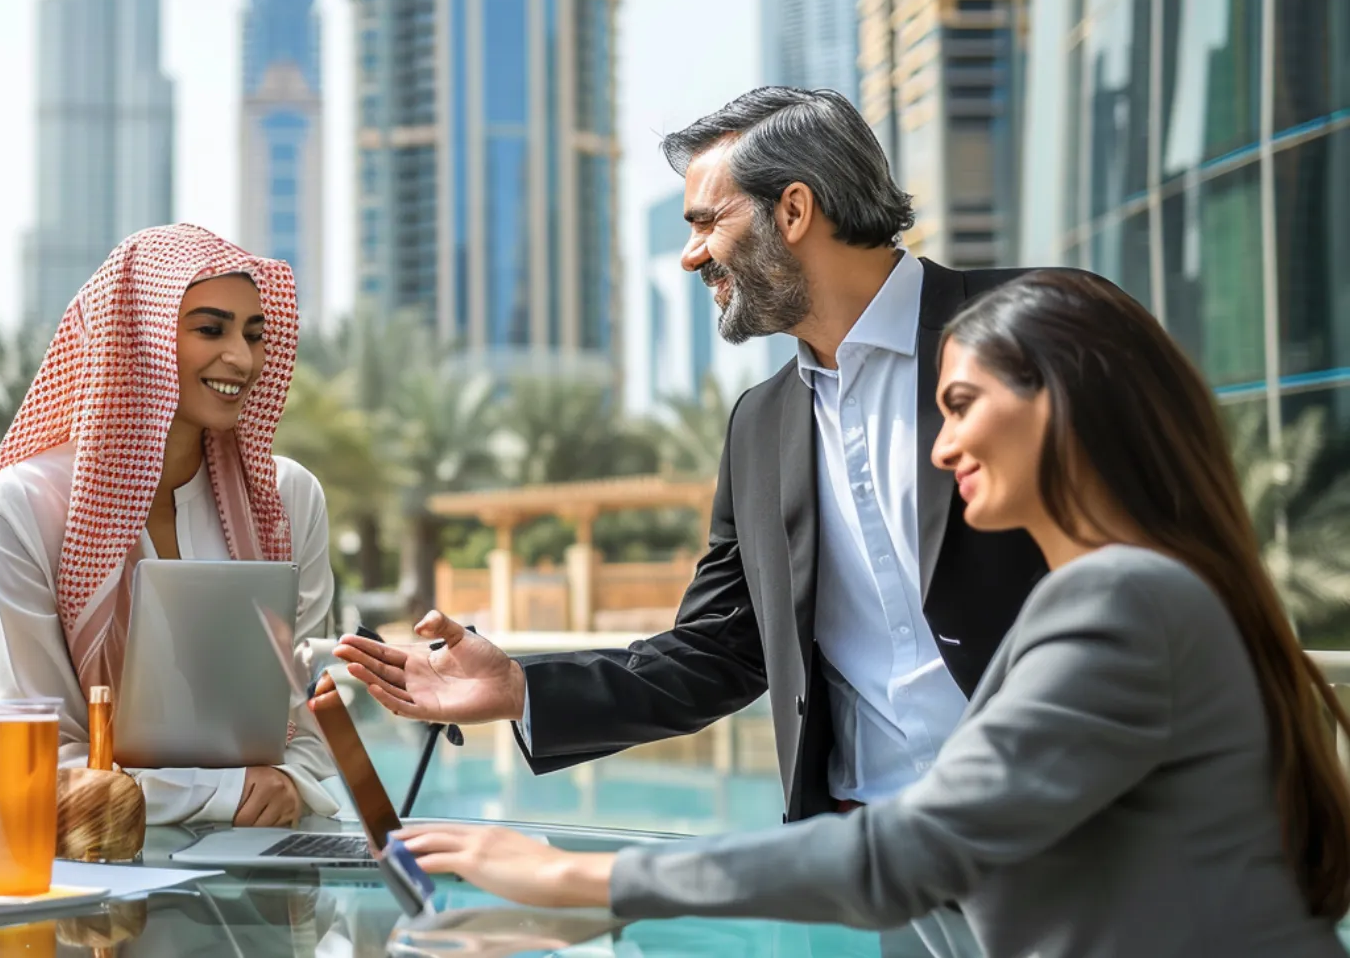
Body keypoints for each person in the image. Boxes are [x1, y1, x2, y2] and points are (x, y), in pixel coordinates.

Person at [391, 272, 1350, 957]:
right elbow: (725, 646)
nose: (943, 445)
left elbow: (918, 846)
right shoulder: (1136, 589)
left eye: (964, 404)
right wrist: (523, 688)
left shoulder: (1125, 598)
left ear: (1057, 402)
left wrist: (578, 878)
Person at [336, 86, 1051, 953]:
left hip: (1067, 840)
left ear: (794, 210)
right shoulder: (761, 425)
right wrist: (525, 689)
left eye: (706, 222)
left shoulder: (1037, 331)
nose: (688, 257)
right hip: (876, 871)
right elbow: (722, 648)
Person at [0, 224, 340, 829]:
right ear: (139, 340)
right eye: (211, 329)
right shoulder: (18, 512)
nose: (243, 357)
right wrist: (225, 794)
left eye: (254, 334)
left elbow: (309, 724)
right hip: (81, 881)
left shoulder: (289, 499)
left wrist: (287, 779)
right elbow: (40, 763)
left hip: (255, 879)